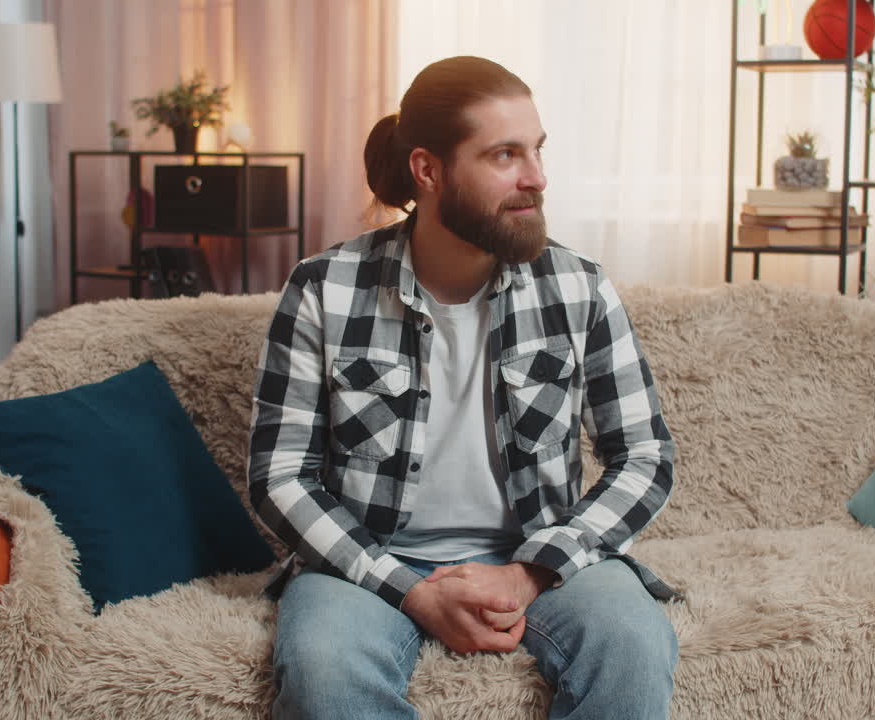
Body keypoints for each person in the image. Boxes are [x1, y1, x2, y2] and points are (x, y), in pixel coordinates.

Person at [248, 55, 678, 720]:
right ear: (428, 170)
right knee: (324, 675)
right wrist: (411, 592)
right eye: (505, 154)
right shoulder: (323, 289)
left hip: (539, 550)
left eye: (536, 150)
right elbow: (279, 476)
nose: (536, 178)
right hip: (372, 555)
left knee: (633, 648)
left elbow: (645, 457)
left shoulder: (579, 286)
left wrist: (529, 572)